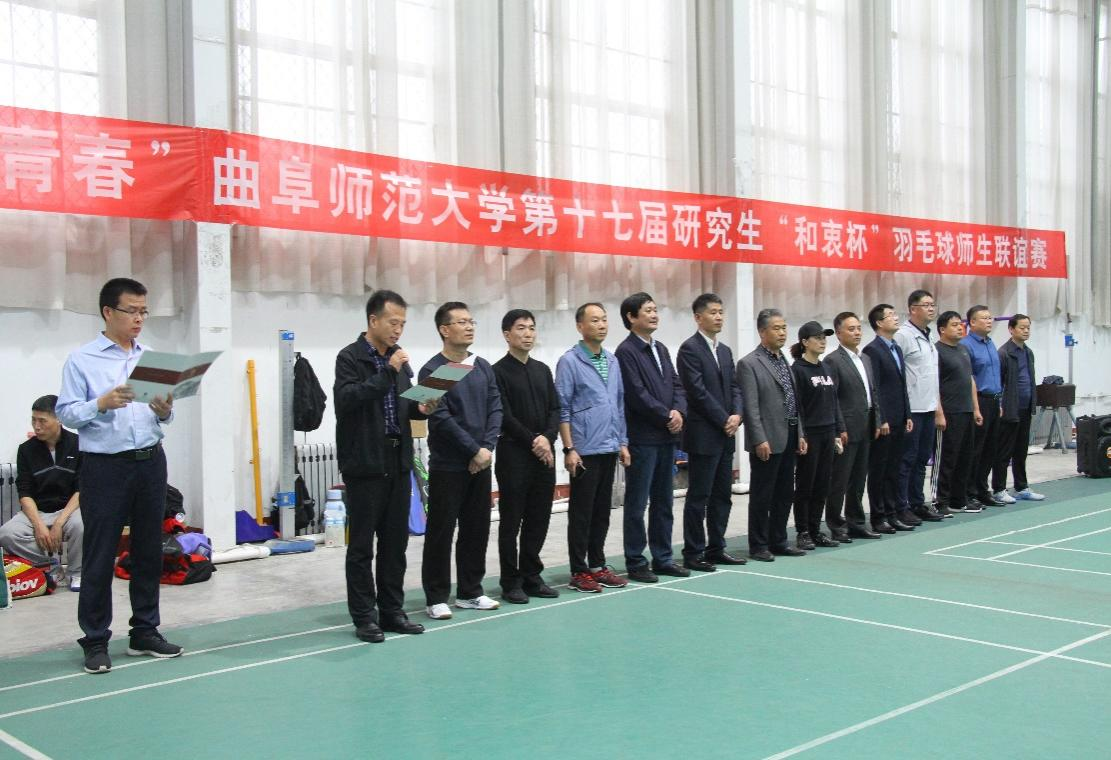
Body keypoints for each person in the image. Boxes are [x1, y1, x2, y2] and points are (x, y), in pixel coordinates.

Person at [56, 277, 182, 674]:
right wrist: (101, 403)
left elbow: (165, 415)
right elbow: (66, 413)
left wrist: (165, 410)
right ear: (108, 312)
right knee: (100, 553)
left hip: (150, 462)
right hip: (105, 467)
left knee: (148, 550)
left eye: (144, 311)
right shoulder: (82, 360)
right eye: (132, 311)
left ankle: (144, 631)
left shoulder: (152, 358)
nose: (139, 319)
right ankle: (95, 640)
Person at [334, 289, 432, 643]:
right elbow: (348, 399)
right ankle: (364, 617)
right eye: (393, 322)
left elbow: (405, 405)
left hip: (397, 460)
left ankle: (392, 611)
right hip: (364, 463)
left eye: (402, 324)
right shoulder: (350, 358)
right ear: (373, 320)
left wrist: (422, 406)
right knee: (362, 546)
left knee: (395, 544)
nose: (398, 330)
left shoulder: (399, 360)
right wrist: (387, 373)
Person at [420, 302, 503, 620]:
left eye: (472, 321)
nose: (469, 327)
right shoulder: (432, 370)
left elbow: (496, 407)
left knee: (476, 529)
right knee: (441, 532)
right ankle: (436, 596)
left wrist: (486, 449)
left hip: (481, 462)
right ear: (444, 329)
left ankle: (470, 592)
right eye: (461, 322)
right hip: (448, 465)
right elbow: (440, 417)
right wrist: (472, 451)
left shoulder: (481, 366)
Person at [555, 303, 630, 593]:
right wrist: (569, 448)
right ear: (580, 326)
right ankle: (579, 570)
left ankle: (598, 565)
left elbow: (619, 404)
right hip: (584, 449)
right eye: (594, 320)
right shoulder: (570, 361)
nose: (601, 325)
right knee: (581, 513)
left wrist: (622, 442)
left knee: (602, 511)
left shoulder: (612, 360)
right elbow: (563, 408)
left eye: (604, 320)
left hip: (609, 446)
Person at [615, 292, 688, 583]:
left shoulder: (661, 349)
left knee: (663, 502)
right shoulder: (626, 351)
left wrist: (679, 411)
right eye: (647, 310)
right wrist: (666, 415)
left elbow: (677, 384)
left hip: (667, 438)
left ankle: (663, 557)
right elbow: (636, 394)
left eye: (655, 309)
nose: (654, 314)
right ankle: (635, 560)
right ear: (631, 317)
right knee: (637, 503)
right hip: (643, 438)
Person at [492, 309, 561, 603]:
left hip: (544, 455)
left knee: (539, 517)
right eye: (521, 328)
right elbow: (504, 415)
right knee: (511, 521)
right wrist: (534, 440)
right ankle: (511, 581)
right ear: (507, 334)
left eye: (532, 328)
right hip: (514, 454)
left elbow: (555, 409)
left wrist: (548, 437)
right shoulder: (497, 371)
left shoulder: (542, 370)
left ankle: (532, 575)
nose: (528, 333)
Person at [676, 293, 746, 570]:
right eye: (713, 312)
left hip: (726, 434)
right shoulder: (689, 349)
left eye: (720, 312)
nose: (718, 317)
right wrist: (724, 418)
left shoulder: (725, 350)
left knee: (722, 496)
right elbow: (697, 392)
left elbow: (735, 387)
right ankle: (693, 552)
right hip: (704, 434)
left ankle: (717, 547)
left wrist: (737, 415)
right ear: (698, 317)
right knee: (699, 497)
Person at [737, 308, 808, 561]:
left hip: (789, 433)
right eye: (776, 328)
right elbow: (751, 406)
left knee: (784, 492)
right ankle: (758, 544)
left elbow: (794, 401)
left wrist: (800, 433)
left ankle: (779, 540)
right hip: (767, 438)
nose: (782, 333)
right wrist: (759, 438)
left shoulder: (784, 360)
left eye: (784, 328)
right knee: (762, 494)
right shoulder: (749, 363)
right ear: (762, 332)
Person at [0, 395, 83, 591]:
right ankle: (50, 566)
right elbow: (25, 492)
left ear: (59, 419)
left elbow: (82, 489)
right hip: (38, 510)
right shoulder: (26, 450)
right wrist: (38, 525)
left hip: (69, 509)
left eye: (42, 421)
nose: (37, 426)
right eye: (33, 420)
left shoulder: (79, 444)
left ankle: (76, 573)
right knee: (6, 534)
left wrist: (59, 522)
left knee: (82, 525)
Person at [824, 312, 884, 541]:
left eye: (858, 328)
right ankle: (836, 525)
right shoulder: (833, 361)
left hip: (866, 425)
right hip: (847, 428)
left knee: (859, 479)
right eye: (851, 329)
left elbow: (873, 392)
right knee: (840, 480)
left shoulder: (865, 358)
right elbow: (833, 398)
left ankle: (856, 522)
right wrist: (839, 428)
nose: (857, 332)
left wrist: (877, 420)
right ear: (838, 333)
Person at [789, 322, 843, 550]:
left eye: (824, 337)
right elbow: (797, 406)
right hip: (810, 435)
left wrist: (837, 432)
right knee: (806, 484)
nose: (822, 341)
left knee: (822, 485)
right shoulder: (798, 370)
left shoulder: (826, 368)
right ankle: (802, 531)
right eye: (817, 337)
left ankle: (815, 529)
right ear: (804, 342)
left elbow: (834, 402)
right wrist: (801, 435)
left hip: (828, 433)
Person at [862, 303, 915, 534]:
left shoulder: (897, 349)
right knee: (879, 471)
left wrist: (907, 413)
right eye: (890, 315)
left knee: (894, 469)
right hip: (884, 422)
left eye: (895, 314)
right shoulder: (873, 350)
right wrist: (880, 419)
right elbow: (875, 388)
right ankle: (879, 516)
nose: (895, 318)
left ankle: (893, 514)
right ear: (879, 323)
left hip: (899, 417)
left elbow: (901, 385)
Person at [894, 290, 944, 524]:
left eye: (933, 304)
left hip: (928, 407)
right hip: (912, 409)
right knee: (907, 459)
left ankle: (917, 502)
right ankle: (901, 505)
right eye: (926, 305)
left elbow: (931, 377)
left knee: (922, 458)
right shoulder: (903, 336)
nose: (931, 309)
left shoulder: (928, 336)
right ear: (913, 309)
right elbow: (897, 373)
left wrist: (937, 408)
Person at [934, 311, 984, 515]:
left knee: (965, 458)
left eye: (960, 324)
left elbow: (970, 379)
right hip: (949, 412)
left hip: (966, 411)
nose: (959, 328)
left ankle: (959, 499)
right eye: (954, 325)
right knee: (947, 459)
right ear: (942, 329)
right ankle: (940, 501)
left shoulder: (963, 349)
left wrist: (976, 408)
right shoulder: (936, 351)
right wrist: (939, 412)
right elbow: (934, 384)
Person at [993, 314, 1045, 502]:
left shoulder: (1028, 352)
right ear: (1011, 329)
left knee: (1021, 451)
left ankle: (1021, 487)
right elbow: (998, 383)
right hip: (1009, 409)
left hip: (1026, 408)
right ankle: (999, 489)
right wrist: (1000, 405)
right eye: (1022, 328)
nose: (1026, 331)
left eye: (1028, 328)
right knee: (1004, 451)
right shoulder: (1003, 353)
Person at [960, 305, 1005, 508]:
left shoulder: (990, 342)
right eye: (984, 318)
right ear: (972, 322)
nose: (989, 321)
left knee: (990, 449)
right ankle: (969, 491)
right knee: (975, 449)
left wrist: (999, 402)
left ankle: (982, 489)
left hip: (994, 401)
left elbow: (996, 376)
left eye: (990, 317)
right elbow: (969, 379)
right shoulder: (966, 345)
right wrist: (976, 408)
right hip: (979, 402)